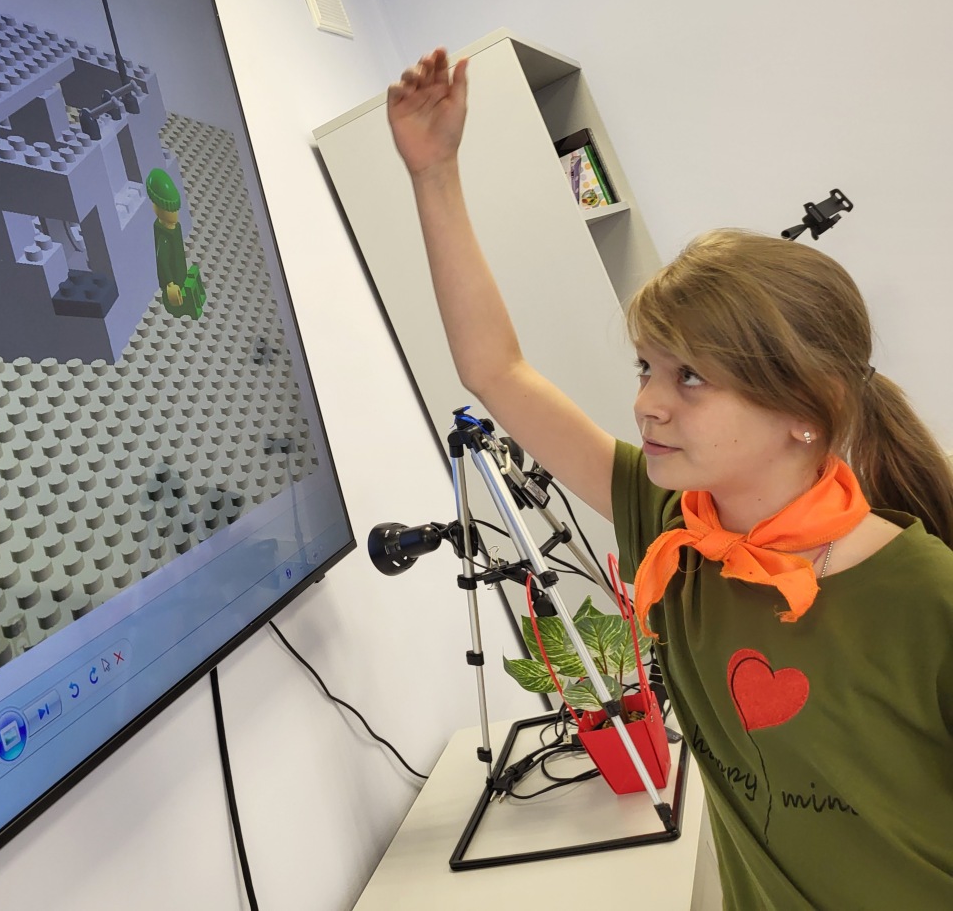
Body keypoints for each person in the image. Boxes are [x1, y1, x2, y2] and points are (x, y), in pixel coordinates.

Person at [387, 47, 953, 909]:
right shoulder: (677, 534)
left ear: (808, 407)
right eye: (647, 367)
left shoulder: (927, 600)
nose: (647, 403)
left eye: (691, 377)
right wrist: (434, 174)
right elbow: (495, 370)